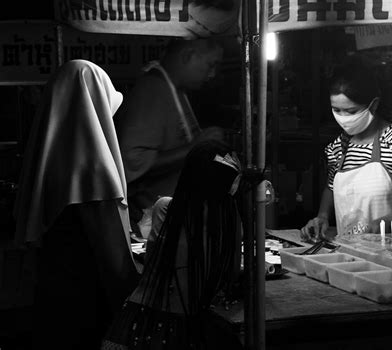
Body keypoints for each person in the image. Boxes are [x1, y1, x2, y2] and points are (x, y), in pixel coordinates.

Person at [13, 59, 139, 350]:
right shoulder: (93, 169)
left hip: (53, 304)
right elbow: (115, 267)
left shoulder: (51, 159)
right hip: (85, 312)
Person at [101, 140, 243, 350]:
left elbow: (152, 262)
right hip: (187, 323)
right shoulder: (230, 219)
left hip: (143, 321)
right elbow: (230, 274)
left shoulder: (166, 208)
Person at [302, 55, 392, 241]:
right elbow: (331, 187)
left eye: (351, 111)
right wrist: (322, 216)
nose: (343, 117)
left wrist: (388, 220)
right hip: (352, 251)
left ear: (373, 105)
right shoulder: (337, 147)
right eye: (337, 110)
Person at [114, 38, 226, 238]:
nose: (212, 74)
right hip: (155, 224)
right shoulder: (151, 90)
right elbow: (132, 162)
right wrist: (197, 147)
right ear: (188, 56)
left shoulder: (175, 89)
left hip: (178, 219)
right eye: (211, 64)